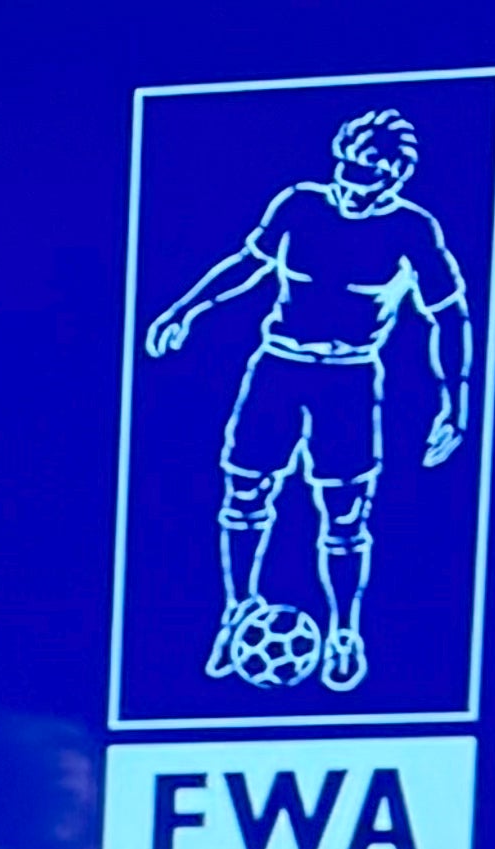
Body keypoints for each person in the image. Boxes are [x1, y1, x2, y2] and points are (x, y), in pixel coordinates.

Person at [141, 101, 476, 695]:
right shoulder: (300, 204)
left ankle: (345, 632)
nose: (351, 181)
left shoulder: (412, 230)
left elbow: (448, 315)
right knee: (244, 491)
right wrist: (186, 308)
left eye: (368, 172)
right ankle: (237, 610)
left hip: (348, 380)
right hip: (278, 368)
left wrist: (456, 398)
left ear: (394, 176)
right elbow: (249, 264)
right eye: (345, 166)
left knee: (346, 515)